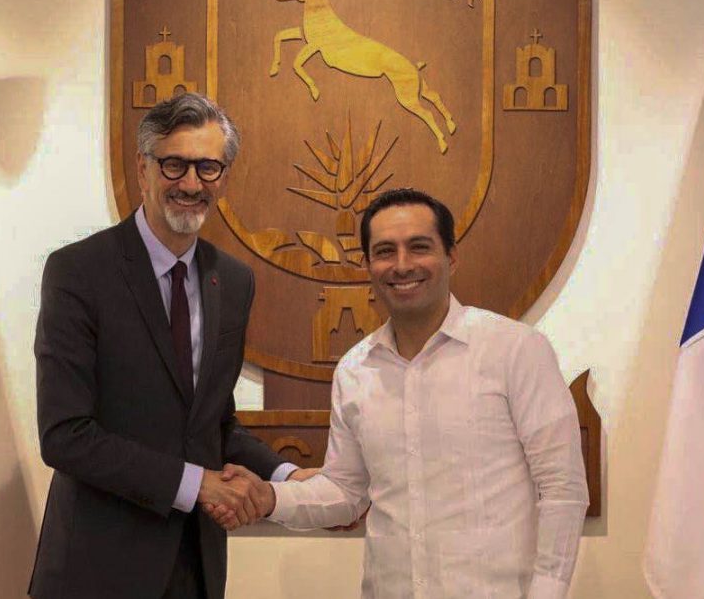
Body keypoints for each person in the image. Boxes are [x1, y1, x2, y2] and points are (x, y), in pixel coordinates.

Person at [214, 188, 589, 598]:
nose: (403, 265)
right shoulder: (356, 370)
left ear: (452, 256)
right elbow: (345, 492)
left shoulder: (516, 350)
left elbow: (562, 488)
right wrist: (268, 497)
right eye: (385, 251)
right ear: (368, 265)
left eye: (420, 247)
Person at [29, 93, 308, 599]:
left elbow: (213, 424)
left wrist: (289, 477)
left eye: (208, 168)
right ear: (143, 168)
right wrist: (197, 485)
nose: (191, 184)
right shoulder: (78, 272)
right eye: (174, 164)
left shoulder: (234, 280)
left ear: (223, 176)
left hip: (195, 569)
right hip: (96, 572)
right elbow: (64, 434)